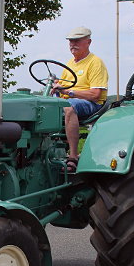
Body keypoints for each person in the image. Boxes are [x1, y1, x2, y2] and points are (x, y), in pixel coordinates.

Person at [53, 27, 109, 170]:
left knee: (69, 107)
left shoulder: (95, 63)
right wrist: (56, 87)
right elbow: (63, 88)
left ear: (88, 42)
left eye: (77, 41)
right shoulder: (70, 64)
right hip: (71, 100)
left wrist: (69, 92)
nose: (73, 44)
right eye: (71, 41)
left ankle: (72, 156)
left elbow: (95, 94)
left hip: (93, 104)